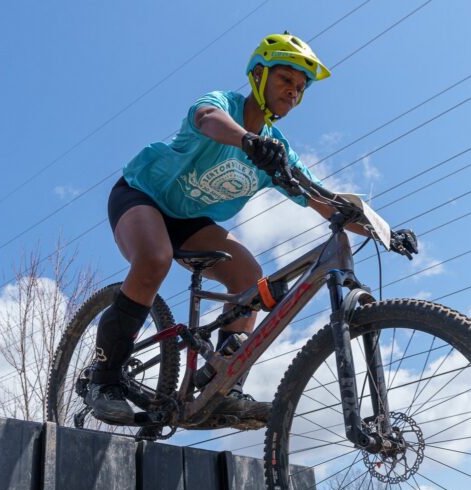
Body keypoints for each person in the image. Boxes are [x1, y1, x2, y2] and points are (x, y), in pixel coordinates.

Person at [85, 32, 369, 426]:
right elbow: (207, 119)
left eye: (301, 88)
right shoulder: (223, 106)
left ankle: (223, 389)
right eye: (286, 79)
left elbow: (321, 199)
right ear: (258, 74)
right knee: (154, 258)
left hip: (188, 220)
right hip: (142, 195)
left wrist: (382, 231)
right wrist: (247, 140)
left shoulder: (278, 151)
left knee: (249, 277)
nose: (294, 92)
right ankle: (103, 379)